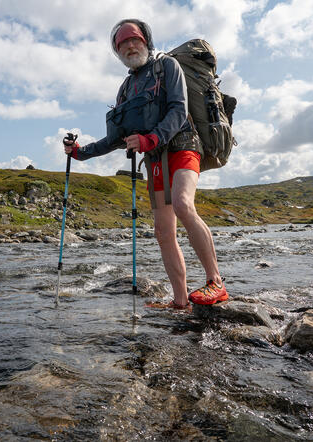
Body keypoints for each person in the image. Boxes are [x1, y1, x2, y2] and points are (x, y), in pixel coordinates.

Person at [63, 19, 228, 310]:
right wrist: (79, 153)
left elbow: (179, 110)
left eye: (134, 39)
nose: (129, 45)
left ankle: (216, 282)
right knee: (163, 232)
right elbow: (115, 139)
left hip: (183, 145)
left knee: (182, 204)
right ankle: (180, 301)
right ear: (118, 52)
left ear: (146, 41)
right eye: (122, 43)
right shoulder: (125, 89)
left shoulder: (167, 67)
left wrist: (150, 139)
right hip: (154, 160)